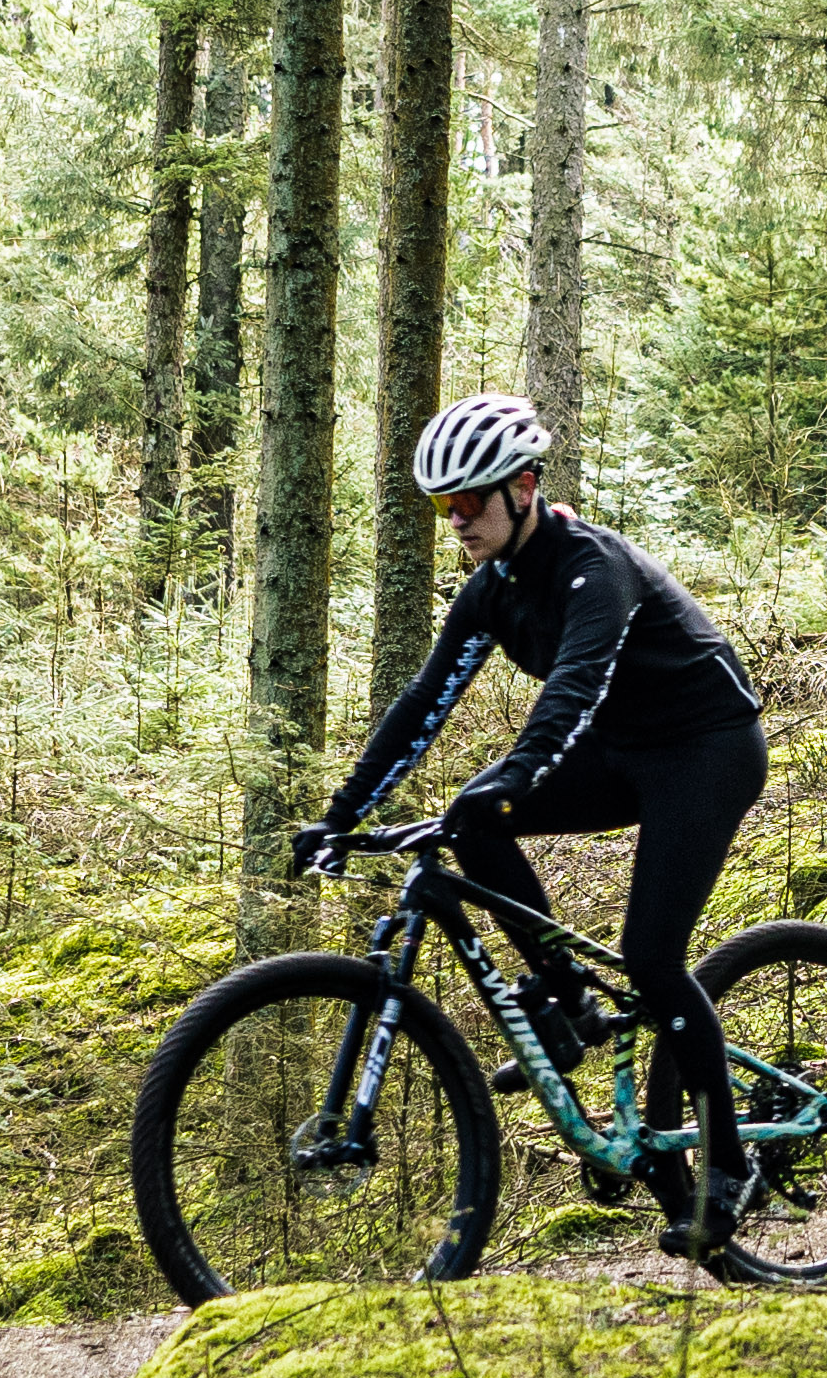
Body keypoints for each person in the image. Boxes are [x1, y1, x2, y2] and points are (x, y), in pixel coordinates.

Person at [306, 396, 770, 1256]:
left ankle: (731, 1162)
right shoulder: (492, 591)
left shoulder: (595, 569)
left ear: (522, 488)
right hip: (625, 750)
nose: (455, 522)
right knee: (470, 823)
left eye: (468, 503)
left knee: (654, 958)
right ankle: (566, 999)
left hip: (706, 750)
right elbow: (422, 705)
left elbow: (575, 691)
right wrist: (340, 814)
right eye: (442, 507)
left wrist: (515, 776)